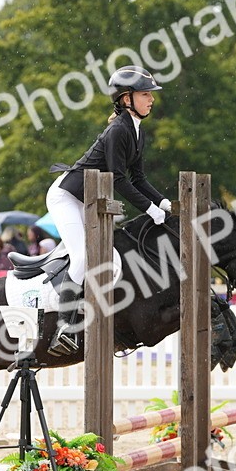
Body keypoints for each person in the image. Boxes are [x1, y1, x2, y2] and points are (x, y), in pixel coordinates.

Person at [44, 66, 171, 355]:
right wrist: (149, 209)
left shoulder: (136, 131)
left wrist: (163, 203)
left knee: (107, 258)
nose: (151, 99)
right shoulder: (118, 130)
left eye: (150, 94)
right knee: (83, 257)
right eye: (145, 94)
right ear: (127, 99)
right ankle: (63, 326)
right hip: (66, 197)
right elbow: (117, 178)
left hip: (88, 198)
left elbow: (138, 178)